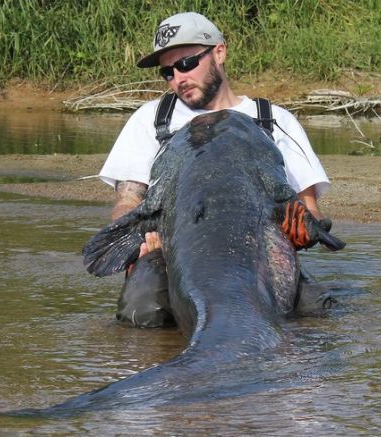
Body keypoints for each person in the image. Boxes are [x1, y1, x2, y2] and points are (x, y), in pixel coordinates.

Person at [98, 12, 335, 326]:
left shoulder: (274, 120)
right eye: (167, 72)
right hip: (171, 257)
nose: (178, 79)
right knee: (141, 314)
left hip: (256, 257)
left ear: (219, 53)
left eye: (186, 64)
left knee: (317, 311)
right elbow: (128, 202)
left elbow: (310, 208)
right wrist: (139, 245)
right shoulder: (152, 119)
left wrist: (304, 231)